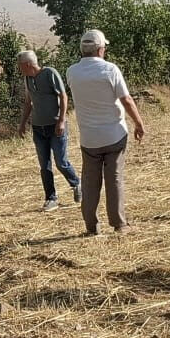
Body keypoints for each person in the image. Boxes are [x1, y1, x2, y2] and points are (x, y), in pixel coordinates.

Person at [65, 30, 147, 236]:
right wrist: (138, 123)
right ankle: (119, 224)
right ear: (100, 49)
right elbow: (126, 99)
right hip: (114, 134)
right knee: (114, 179)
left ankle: (91, 226)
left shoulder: (71, 72)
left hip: (89, 138)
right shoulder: (110, 70)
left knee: (90, 182)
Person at [16, 50, 80, 211]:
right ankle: (51, 198)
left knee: (61, 162)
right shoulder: (27, 79)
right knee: (45, 166)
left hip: (55, 126)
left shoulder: (50, 73)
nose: (19, 69)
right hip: (38, 128)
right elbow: (28, 103)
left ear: (27, 64)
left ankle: (76, 184)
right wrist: (22, 124)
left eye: (20, 66)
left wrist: (61, 121)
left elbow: (63, 96)